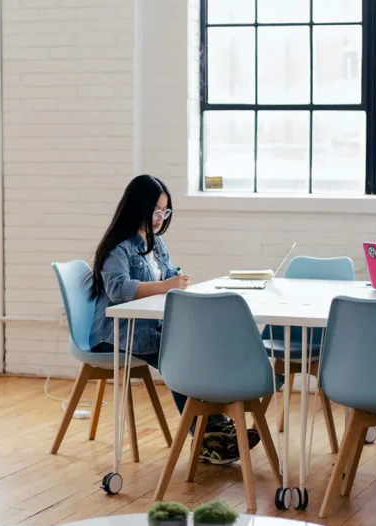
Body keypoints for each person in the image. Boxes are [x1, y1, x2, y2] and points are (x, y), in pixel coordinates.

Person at [89, 174, 260, 465]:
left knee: (196, 345)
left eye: (165, 211)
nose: (160, 217)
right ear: (137, 207)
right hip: (116, 335)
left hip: (149, 327)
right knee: (181, 356)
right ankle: (208, 436)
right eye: (156, 210)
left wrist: (175, 279)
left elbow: (165, 275)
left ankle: (215, 430)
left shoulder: (156, 244)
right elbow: (118, 290)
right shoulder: (118, 247)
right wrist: (166, 285)